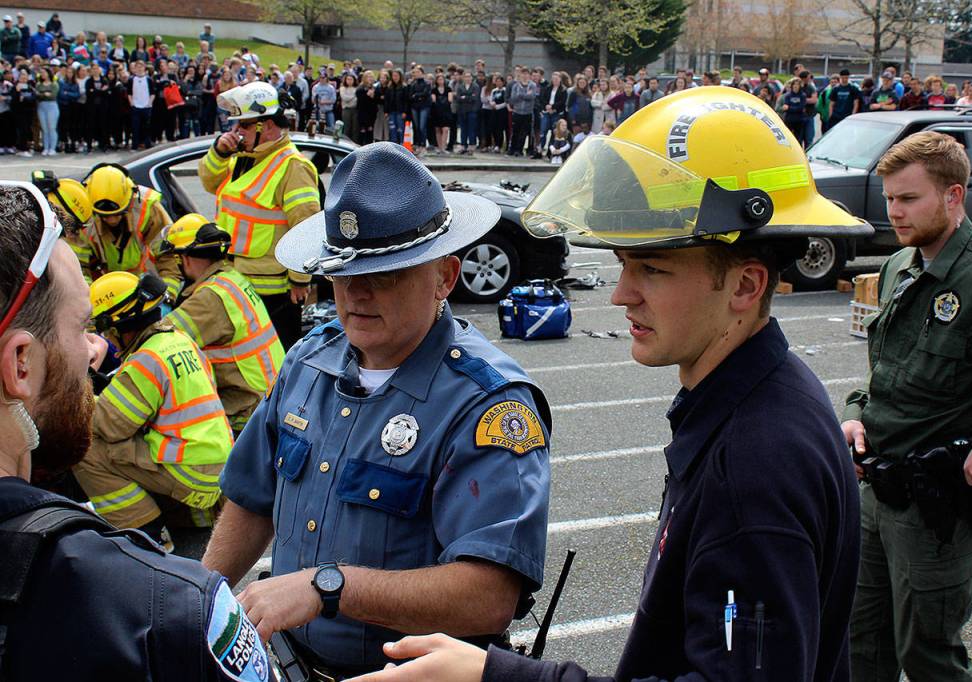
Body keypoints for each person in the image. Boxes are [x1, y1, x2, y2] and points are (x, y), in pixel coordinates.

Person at [347, 85, 869, 682]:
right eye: (623, 265)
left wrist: (495, 677)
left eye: (652, 268)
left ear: (746, 287)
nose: (621, 293)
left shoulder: (754, 462)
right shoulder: (761, 401)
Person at [201, 142, 552, 678]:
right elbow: (253, 500)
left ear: (444, 277)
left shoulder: (486, 403)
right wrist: (196, 601)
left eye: (387, 274)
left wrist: (329, 588)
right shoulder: (308, 362)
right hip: (288, 663)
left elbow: (487, 595)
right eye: (343, 272)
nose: (356, 294)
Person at [0, 181, 269, 681]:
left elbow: (109, 423)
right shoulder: (172, 612)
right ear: (21, 364)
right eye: (82, 328)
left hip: (201, 470)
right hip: (216, 463)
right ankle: (137, 536)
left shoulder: (161, 343)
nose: (91, 348)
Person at [843, 131, 972, 681]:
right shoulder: (901, 266)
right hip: (879, 487)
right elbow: (887, 371)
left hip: (939, 504)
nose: (894, 211)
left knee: (927, 655)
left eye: (908, 198)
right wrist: (855, 413)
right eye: (890, 198)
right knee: (859, 642)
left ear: (953, 196)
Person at [72, 270, 233, 546]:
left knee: (87, 448)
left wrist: (82, 393)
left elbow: (107, 426)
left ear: (120, 325)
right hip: (219, 468)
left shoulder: (145, 361)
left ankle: (147, 535)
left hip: (191, 473)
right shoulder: (179, 340)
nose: (106, 337)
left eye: (105, 328)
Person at [199, 80, 321, 350]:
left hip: (274, 293)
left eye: (243, 125)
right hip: (236, 281)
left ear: (266, 125)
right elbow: (209, 183)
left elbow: (306, 225)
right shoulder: (245, 157)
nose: (236, 131)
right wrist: (219, 152)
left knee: (278, 361)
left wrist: (301, 280)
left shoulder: (293, 166)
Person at [157, 214, 284, 434]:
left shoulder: (208, 299)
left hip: (246, 414)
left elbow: (156, 341)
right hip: (273, 396)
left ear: (184, 259)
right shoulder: (231, 278)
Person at [69, 164, 178, 293]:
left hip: (149, 283)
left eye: (118, 214)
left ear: (131, 198)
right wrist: (90, 299)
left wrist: (167, 295)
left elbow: (168, 258)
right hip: (107, 290)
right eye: (104, 216)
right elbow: (78, 268)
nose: (112, 220)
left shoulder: (148, 208)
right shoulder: (82, 214)